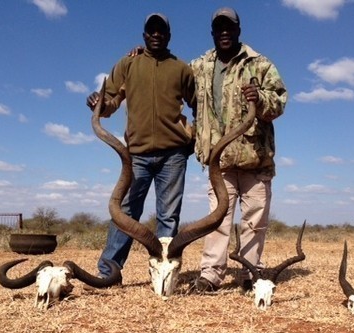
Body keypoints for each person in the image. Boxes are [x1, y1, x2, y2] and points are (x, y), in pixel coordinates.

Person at [86, 13, 196, 280]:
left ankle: (164, 275)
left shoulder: (181, 68)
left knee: (168, 216)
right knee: (125, 213)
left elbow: (198, 104)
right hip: (135, 155)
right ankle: (109, 272)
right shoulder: (128, 64)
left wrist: (192, 139)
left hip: (173, 155)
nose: (156, 34)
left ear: (168, 36)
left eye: (161, 31)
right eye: (151, 30)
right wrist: (99, 102)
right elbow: (110, 99)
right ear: (144, 35)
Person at [192, 7, 288, 292]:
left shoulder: (260, 63)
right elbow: (176, 87)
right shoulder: (198, 66)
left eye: (229, 28)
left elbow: (279, 102)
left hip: (254, 159)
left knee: (254, 222)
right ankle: (211, 274)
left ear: (238, 31)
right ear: (212, 33)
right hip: (218, 162)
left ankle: (250, 273)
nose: (224, 32)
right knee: (217, 220)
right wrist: (141, 55)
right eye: (219, 28)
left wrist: (260, 97)